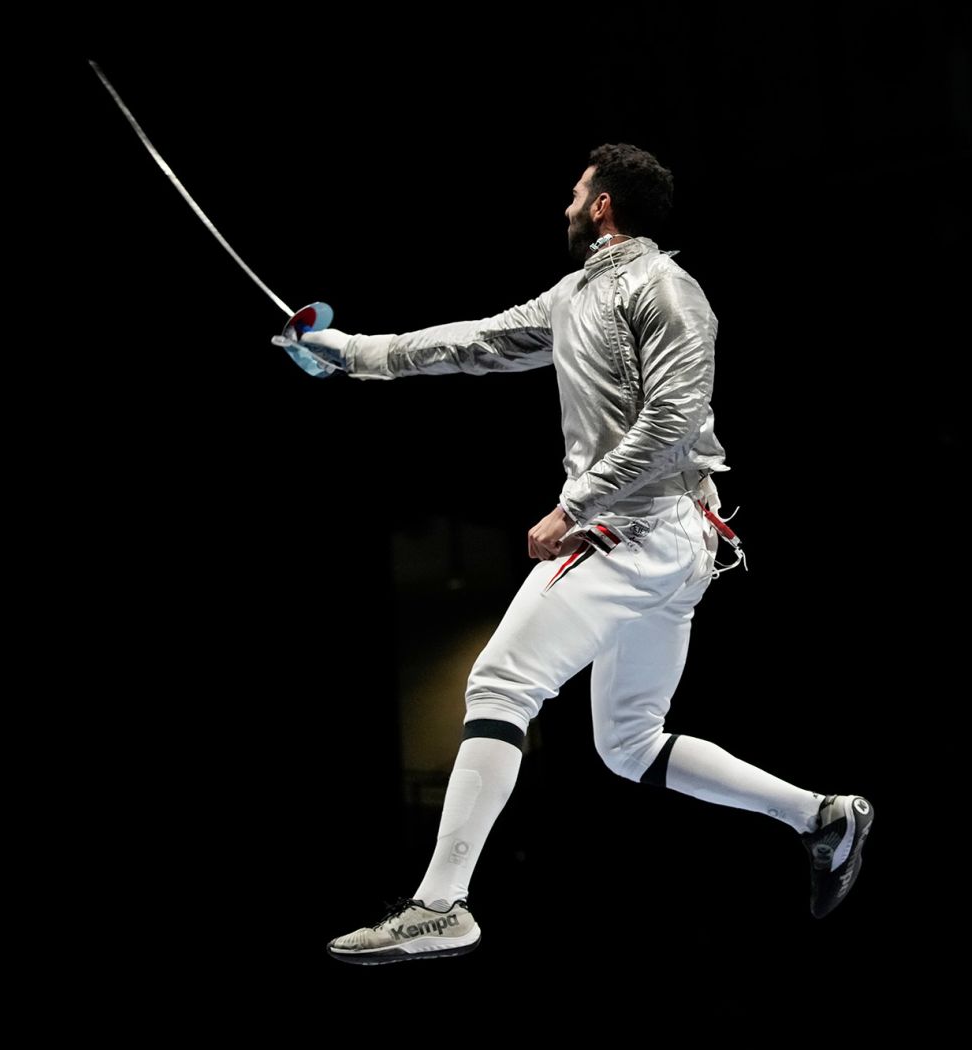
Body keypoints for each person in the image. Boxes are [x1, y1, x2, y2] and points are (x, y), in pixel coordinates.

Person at [283, 144, 874, 965]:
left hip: (640, 529)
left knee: (499, 682)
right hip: (669, 544)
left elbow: (671, 423)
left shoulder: (668, 290)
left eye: (573, 194)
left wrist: (576, 505)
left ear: (602, 204)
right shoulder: (576, 296)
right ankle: (821, 816)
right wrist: (351, 354)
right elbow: (475, 343)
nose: (564, 206)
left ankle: (440, 903)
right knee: (630, 744)